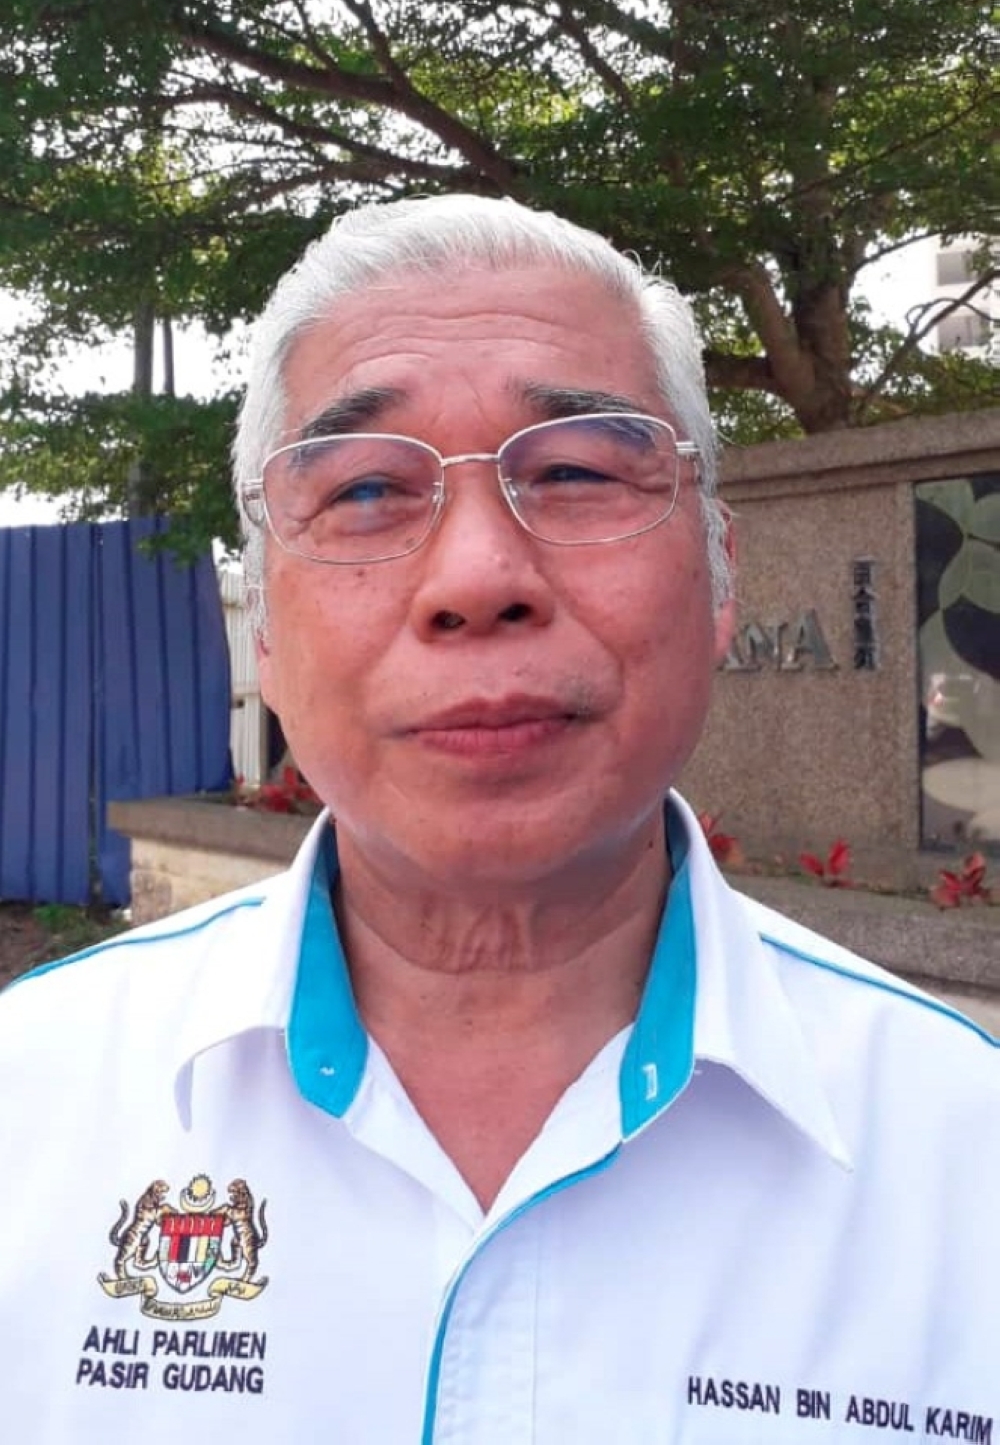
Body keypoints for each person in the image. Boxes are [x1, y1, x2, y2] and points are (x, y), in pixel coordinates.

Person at [1, 195, 996, 1443]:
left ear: (719, 578)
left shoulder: (966, 1153)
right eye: (367, 488)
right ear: (265, 622)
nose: (476, 577)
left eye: (574, 471)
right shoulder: (28, 1100)